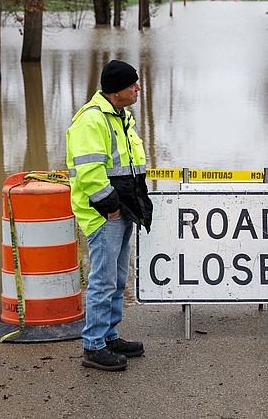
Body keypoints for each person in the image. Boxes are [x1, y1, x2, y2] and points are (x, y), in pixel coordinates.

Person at [66, 59, 153, 371]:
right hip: (105, 214)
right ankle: (93, 345)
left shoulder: (120, 116)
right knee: (102, 280)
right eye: (133, 84)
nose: (138, 88)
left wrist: (135, 202)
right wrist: (112, 207)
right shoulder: (91, 121)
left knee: (117, 277)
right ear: (117, 90)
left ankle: (109, 335)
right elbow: (89, 174)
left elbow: (130, 164)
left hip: (122, 208)